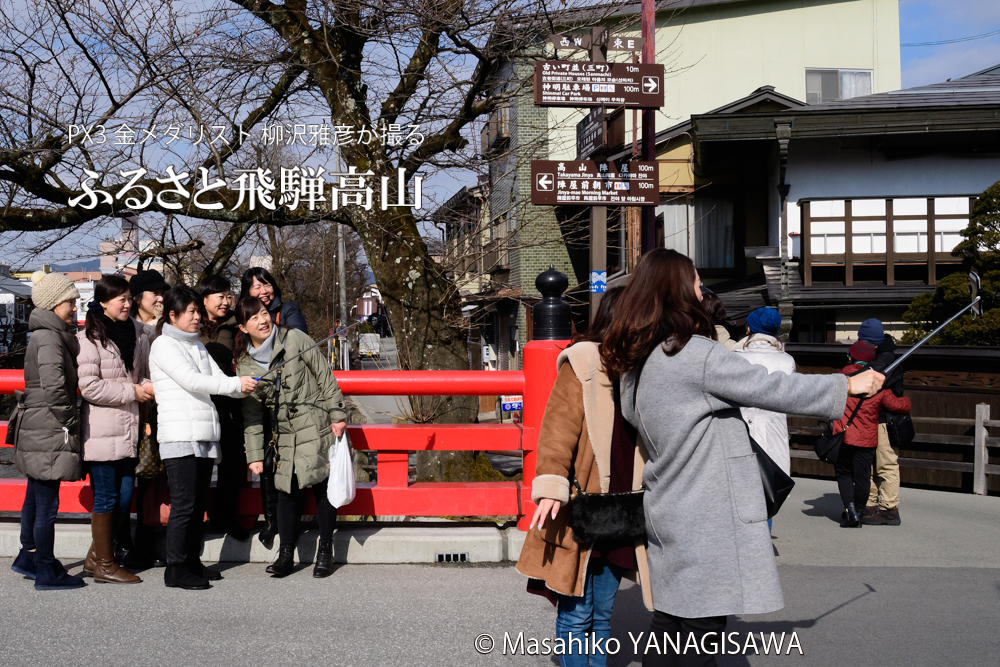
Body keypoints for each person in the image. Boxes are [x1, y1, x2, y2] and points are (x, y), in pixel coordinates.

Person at [600, 249, 884, 667]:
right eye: (696, 282)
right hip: (707, 512)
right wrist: (847, 388)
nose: (702, 290)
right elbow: (772, 388)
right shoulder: (694, 354)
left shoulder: (637, 359)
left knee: (671, 625)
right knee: (701, 637)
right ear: (678, 289)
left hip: (667, 504)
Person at [516, 286, 652, 667]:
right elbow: (556, 432)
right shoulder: (583, 363)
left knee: (603, 616)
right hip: (582, 508)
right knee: (577, 613)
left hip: (624, 510)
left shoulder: (642, 368)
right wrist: (551, 486)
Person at [149, 287, 257, 590]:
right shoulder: (163, 345)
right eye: (191, 312)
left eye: (198, 311)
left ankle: (191, 562)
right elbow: (192, 381)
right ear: (173, 315)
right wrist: (235, 384)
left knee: (196, 504)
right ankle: (176, 568)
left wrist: (240, 386)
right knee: (184, 505)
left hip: (203, 433)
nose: (198, 317)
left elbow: (219, 380)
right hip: (180, 435)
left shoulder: (196, 346)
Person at [234, 296, 348, 578]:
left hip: (314, 422)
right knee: (286, 491)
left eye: (264, 313)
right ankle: (286, 552)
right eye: (254, 318)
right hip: (282, 431)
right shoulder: (245, 363)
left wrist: (337, 414)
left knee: (321, 486)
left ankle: (325, 549)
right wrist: (255, 455)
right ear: (243, 327)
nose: (262, 320)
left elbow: (325, 376)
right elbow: (251, 413)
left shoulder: (294, 338)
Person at [10, 271, 86, 590]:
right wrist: (71, 421)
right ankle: (45, 569)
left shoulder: (45, 335)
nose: (74, 307)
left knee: (35, 494)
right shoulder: (50, 338)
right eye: (71, 301)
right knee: (47, 503)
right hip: (49, 426)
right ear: (55, 304)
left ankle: (28, 556)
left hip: (38, 424)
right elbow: (56, 388)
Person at [77, 275, 152, 584]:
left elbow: (141, 372)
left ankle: (95, 558)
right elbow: (89, 386)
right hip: (101, 431)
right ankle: (106, 565)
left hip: (129, 428)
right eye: (119, 298)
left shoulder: (138, 332)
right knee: (107, 498)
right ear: (103, 302)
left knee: (123, 499)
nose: (126, 303)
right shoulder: (88, 338)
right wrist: (131, 391)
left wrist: (144, 386)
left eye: (128, 297)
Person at [832, 339, 912, 528]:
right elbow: (896, 404)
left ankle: (851, 511)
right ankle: (862, 511)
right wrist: (907, 401)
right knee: (863, 475)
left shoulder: (839, 378)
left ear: (850, 357)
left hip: (842, 435)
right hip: (867, 437)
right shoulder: (877, 383)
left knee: (844, 473)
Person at [731, 307, 796, 533]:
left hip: (741, 428)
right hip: (774, 428)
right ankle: (764, 536)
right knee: (768, 485)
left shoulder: (736, 357)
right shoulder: (787, 360)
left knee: (740, 488)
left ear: (749, 329)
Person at [196, 274, 250, 541]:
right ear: (204, 298)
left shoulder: (236, 325)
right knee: (201, 464)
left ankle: (227, 517)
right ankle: (200, 519)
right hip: (200, 404)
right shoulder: (192, 326)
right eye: (220, 296)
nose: (226, 301)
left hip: (229, 404)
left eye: (229, 296)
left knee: (231, 464)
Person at [128, 268, 171, 567]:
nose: (160, 297)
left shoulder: (167, 327)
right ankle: (126, 543)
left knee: (155, 476)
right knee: (129, 478)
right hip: (133, 412)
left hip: (160, 413)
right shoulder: (127, 328)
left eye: (162, 292)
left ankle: (147, 539)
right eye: (153, 292)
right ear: (136, 298)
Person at [857, 318, 905, 526]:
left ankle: (889, 508)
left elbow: (869, 380)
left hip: (885, 419)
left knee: (885, 464)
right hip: (868, 418)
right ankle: (868, 505)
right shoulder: (875, 356)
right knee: (867, 464)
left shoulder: (887, 358)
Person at [239, 267, 308, 334]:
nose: (264, 291)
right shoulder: (241, 317)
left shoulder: (288, 309)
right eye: (257, 287)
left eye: (267, 285)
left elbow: (299, 340)